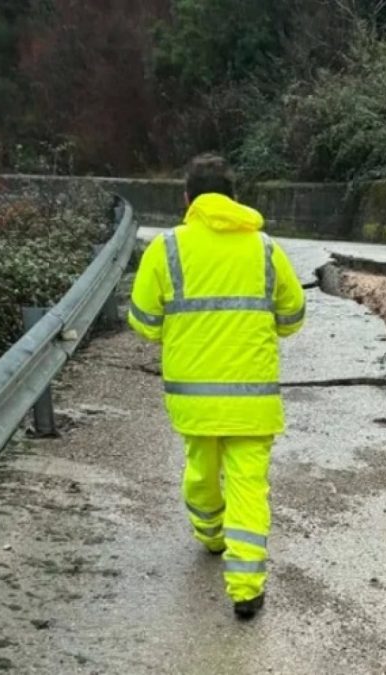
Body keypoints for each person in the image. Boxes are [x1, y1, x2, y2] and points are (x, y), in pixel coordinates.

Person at [127, 154, 305, 619]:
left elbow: (144, 322)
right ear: (234, 198)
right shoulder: (266, 249)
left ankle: (210, 535)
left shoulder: (165, 249)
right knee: (249, 486)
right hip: (253, 401)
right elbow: (292, 316)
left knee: (201, 473)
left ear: (187, 199)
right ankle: (246, 589)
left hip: (193, 400)